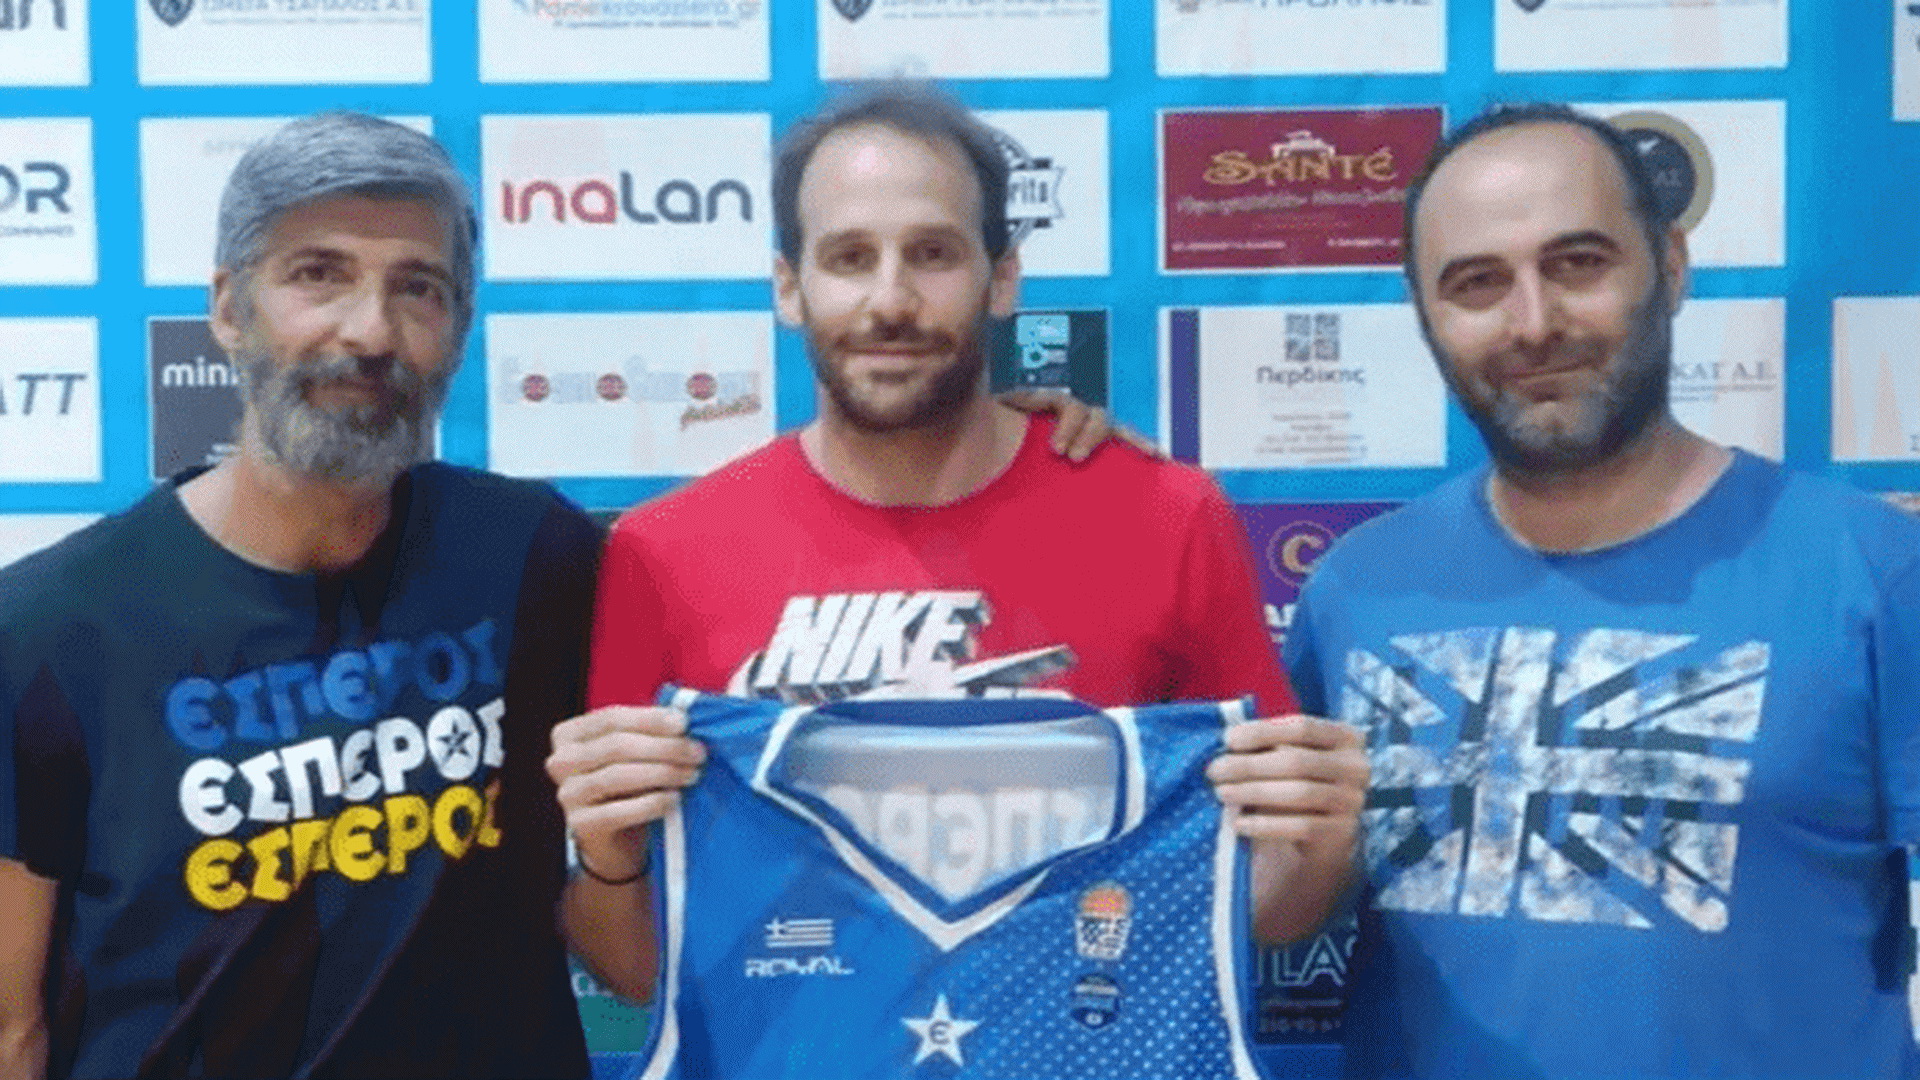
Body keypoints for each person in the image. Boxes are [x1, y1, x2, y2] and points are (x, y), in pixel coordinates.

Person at [0, 108, 1129, 1080]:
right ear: (227, 308)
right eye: (317, 275)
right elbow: (12, 1027)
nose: (369, 331)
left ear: (458, 329)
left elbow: (796, 563)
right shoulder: (49, 627)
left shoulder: (530, 555)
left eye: (418, 289)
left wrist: (1005, 441)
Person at [548, 81, 1368, 1015]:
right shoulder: (662, 552)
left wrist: (1321, 851)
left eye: (933, 253)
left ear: (1002, 277)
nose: (890, 300)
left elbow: (1262, 913)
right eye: (849, 257)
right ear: (789, 287)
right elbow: (636, 972)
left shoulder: (1167, 516)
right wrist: (608, 863)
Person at [1283, 103, 1920, 1079]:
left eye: (1578, 263)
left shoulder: (1874, 570)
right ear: (1424, 314)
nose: (1535, 323)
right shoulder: (1354, 590)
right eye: (1477, 283)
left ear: (1670, 264)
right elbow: (1277, 902)